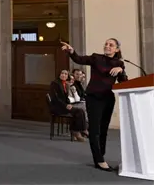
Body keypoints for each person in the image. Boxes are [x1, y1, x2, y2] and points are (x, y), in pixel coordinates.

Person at [61, 39, 128, 172]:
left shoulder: (119, 63)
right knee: (95, 129)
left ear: (117, 49)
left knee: (103, 129)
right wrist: (71, 51)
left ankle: (100, 155)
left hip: (108, 99)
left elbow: (123, 82)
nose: (107, 46)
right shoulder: (96, 58)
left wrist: (121, 70)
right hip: (94, 98)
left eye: (111, 45)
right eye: (106, 44)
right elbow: (79, 59)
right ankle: (99, 160)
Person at [49, 70, 87, 141]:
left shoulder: (64, 84)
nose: (64, 75)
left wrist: (68, 104)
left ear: (67, 76)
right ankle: (77, 132)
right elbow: (56, 98)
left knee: (80, 111)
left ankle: (80, 130)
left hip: (63, 106)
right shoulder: (55, 83)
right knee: (78, 111)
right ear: (59, 74)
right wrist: (65, 105)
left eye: (66, 74)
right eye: (62, 73)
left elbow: (65, 98)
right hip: (57, 107)